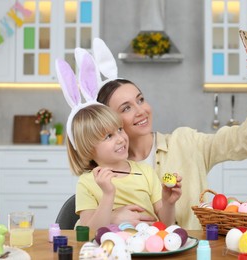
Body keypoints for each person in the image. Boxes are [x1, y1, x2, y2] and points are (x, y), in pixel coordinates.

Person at [93, 38, 247, 229]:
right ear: (109, 121)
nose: (141, 111)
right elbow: (82, 230)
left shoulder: (186, 143)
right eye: (126, 108)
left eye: (140, 100)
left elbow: (242, 142)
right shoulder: (105, 170)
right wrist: (109, 217)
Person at [55, 50, 182, 231]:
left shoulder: (145, 172)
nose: (121, 138)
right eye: (108, 136)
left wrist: (169, 203)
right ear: (88, 149)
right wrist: (108, 195)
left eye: (120, 130)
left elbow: (167, 224)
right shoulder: (88, 183)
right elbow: (88, 233)